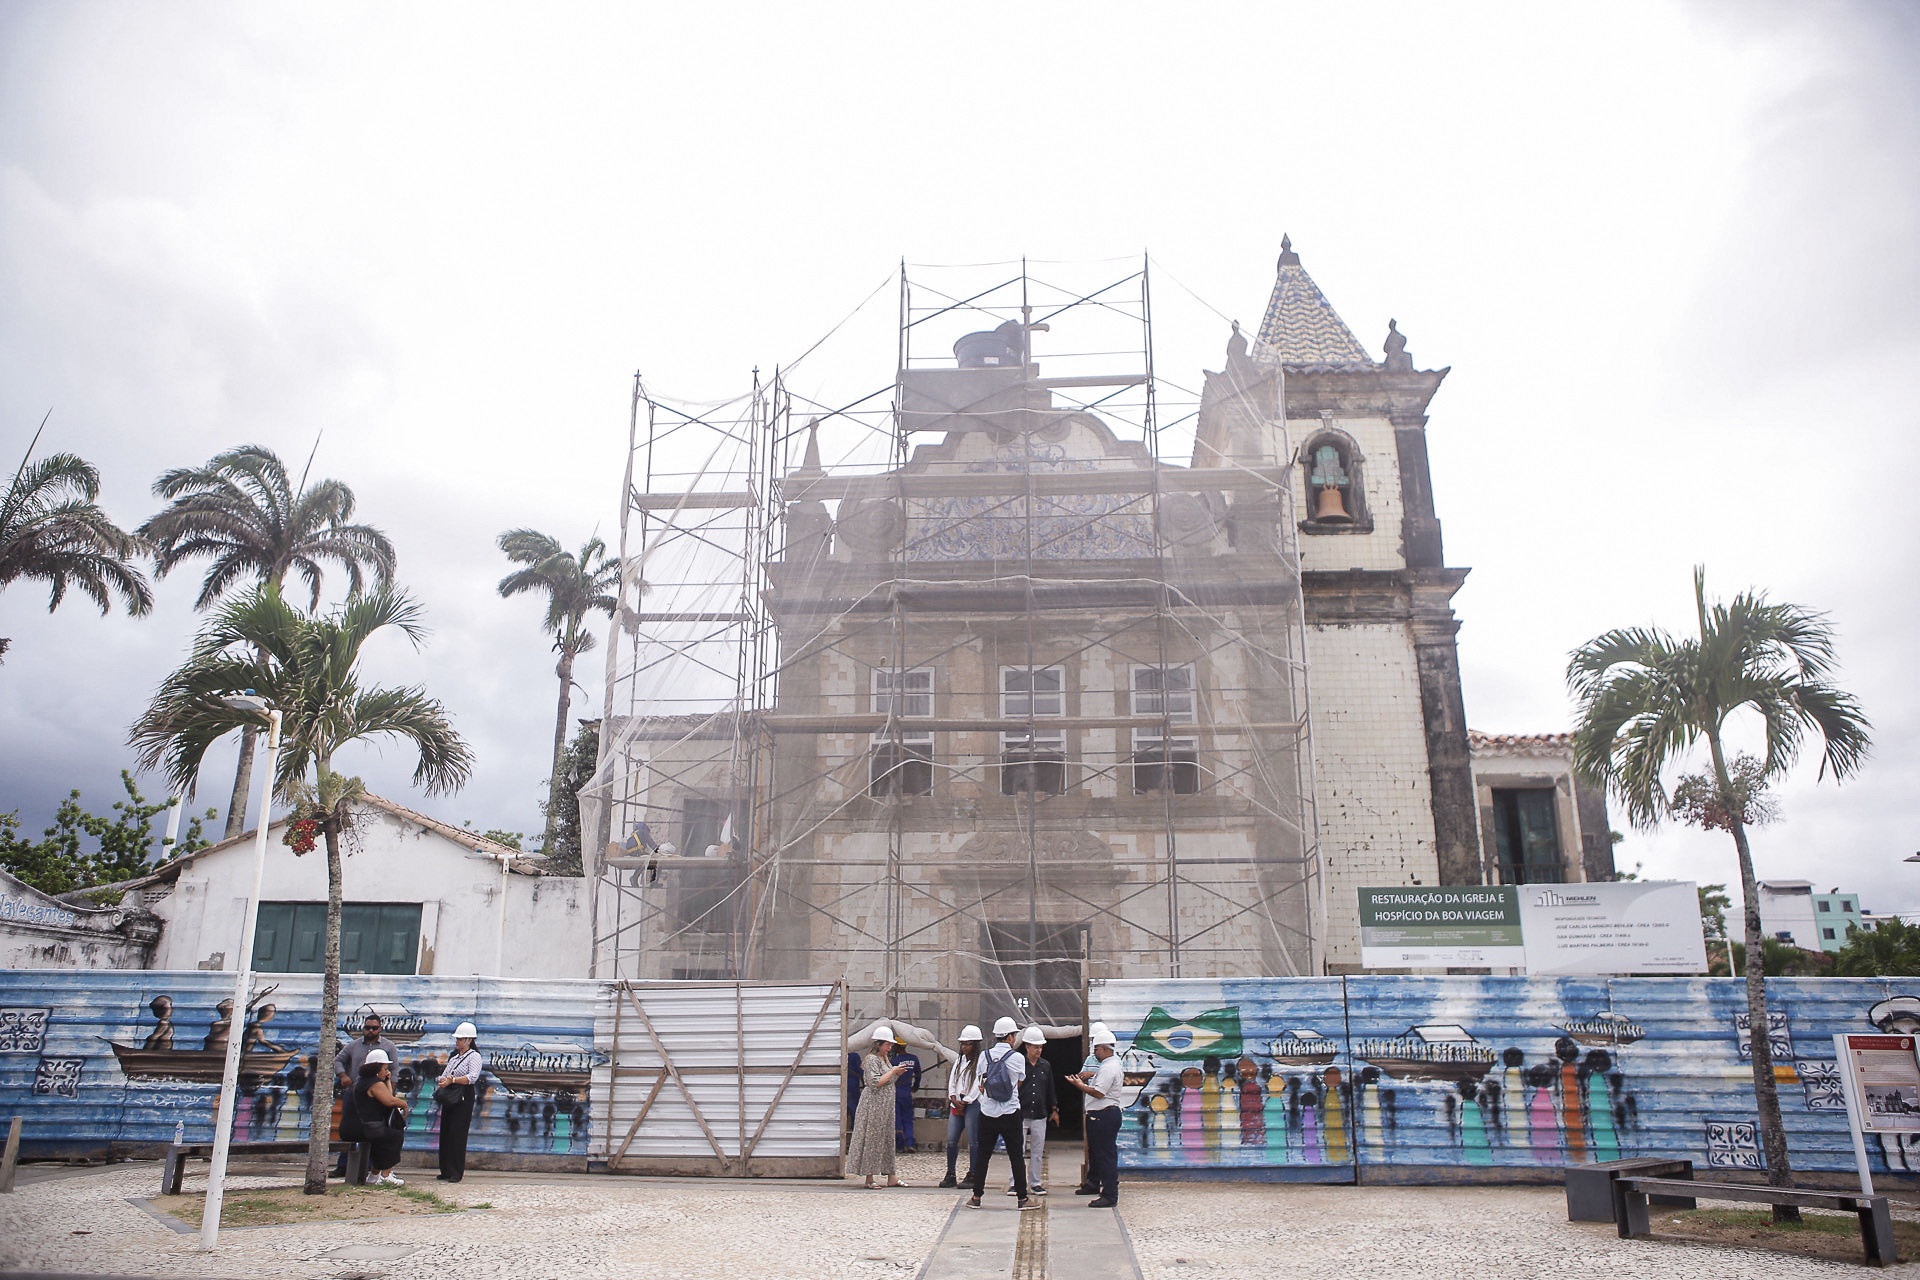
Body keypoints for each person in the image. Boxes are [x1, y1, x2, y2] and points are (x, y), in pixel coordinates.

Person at [968, 1017, 1036, 1210]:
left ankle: (976, 1196)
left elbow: (981, 1083)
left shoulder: (984, 1056)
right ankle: (1022, 1199)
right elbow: (1019, 1082)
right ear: (1010, 1036)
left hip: (987, 1111)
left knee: (983, 1155)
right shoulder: (1017, 1058)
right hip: (1010, 1111)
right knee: (1016, 1156)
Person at [334, 1013, 399, 1180]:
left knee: (374, 1128)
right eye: (367, 1027)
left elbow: (394, 1072)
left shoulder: (388, 1046)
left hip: (376, 1096)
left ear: (380, 1028)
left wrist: (389, 1094)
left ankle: (372, 1166)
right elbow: (338, 1060)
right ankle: (343, 1166)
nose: (370, 1031)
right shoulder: (354, 1045)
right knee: (352, 1128)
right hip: (354, 1093)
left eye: (374, 1028)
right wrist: (343, 1076)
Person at [1067, 1027, 1124, 1208]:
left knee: (1106, 1155)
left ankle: (1109, 1194)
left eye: (1097, 1049)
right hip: (1101, 1115)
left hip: (1104, 1115)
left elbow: (1099, 1093)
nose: (1094, 1053)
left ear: (1106, 1049)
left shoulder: (1108, 1068)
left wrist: (1079, 1085)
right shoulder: (1109, 1065)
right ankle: (1098, 1185)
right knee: (1099, 1154)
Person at [848, 1026, 910, 1189]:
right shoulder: (871, 1059)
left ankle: (892, 1176)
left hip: (885, 1104)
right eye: (887, 1045)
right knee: (872, 1138)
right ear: (879, 1044)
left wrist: (895, 1073)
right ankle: (869, 1178)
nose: (890, 1048)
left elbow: (887, 1080)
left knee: (887, 1138)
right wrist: (893, 1072)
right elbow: (875, 1082)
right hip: (874, 1104)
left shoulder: (884, 1059)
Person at [1007, 1026, 1058, 1195]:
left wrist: (1054, 1108)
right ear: (1027, 1046)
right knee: (1017, 1149)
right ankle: (1015, 1182)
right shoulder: (1019, 1063)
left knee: (1037, 1150)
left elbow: (1050, 1088)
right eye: (1035, 1047)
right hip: (1020, 1113)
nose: (1038, 1050)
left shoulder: (1046, 1066)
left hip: (1039, 1113)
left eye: (1040, 1047)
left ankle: (1035, 1182)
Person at [436, 1020, 485, 1183]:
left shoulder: (474, 1057)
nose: (457, 1042)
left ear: (469, 1040)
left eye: (460, 1039)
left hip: (463, 1097)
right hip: (450, 1097)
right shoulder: (455, 1058)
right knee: (446, 1132)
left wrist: (453, 1080)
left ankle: (456, 1171)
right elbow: (445, 1073)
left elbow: (472, 1077)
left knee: (458, 1133)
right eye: (456, 1039)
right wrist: (443, 1080)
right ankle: (445, 1169)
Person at [353, 1049, 409, 1186]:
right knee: (395, 1136)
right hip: (372, 1127)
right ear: (376, 1068)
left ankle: (374, 1175)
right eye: (384, 1068)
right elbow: (390, 1101)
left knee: (383, 1141)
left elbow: (388, 1096)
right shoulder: (374, 1084)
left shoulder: (366, 1081)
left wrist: (388, 1081)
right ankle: (385, 1174)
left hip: (368, 1125)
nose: (386, 1071)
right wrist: (404, 1104)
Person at [940, 1025, 983, 1189]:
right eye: (963, 1044)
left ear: (975, 1045)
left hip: (972, 1104)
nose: (964, 1047)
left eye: (968, 1044)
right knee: (951, 1140)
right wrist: (953, 1097)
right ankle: (951, 1173)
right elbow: (953, 1081)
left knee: (973, 1141)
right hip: (956, 1104)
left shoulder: (980, 1062)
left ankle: (973, 1173)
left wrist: (966, 1101)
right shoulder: (959, 1061)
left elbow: (978, 1083)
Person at [890, 1040, 922, 1153]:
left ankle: (899, 1145)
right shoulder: (914, 1059)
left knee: (897, 1119)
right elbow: (918, 1074)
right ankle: (910, 1143)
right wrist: (916, 1086)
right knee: (908, 1119)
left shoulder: (893, 1061)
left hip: (895, 1093)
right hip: (907, 1093)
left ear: (896, 1046)